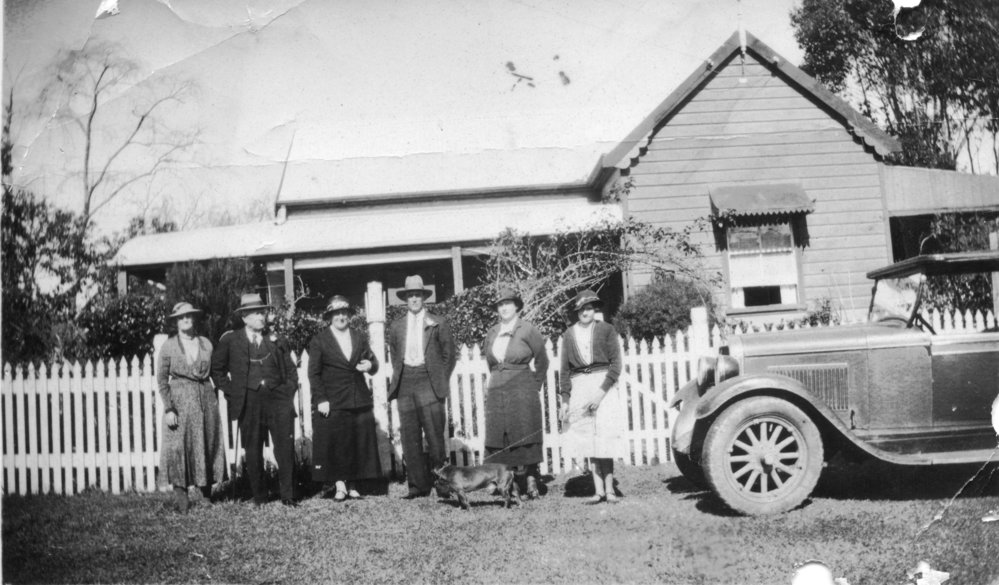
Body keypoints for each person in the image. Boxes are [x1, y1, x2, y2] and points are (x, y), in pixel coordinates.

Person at [210, 293, 300, 507]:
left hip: (278, 400)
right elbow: (217, 369)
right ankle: (260, 496)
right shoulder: (231, 340)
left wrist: (287, 392)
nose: (262, 316)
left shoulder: (276, 340)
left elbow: (291, 371)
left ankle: (288, 495)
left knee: (284, 448)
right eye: (257, 313)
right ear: (245, 318)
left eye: (263, 312)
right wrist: (233, 392)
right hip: (249, 402)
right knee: (253, 450)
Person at [387, 275, 457, 499]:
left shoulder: (438, 322)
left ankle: (443, 484)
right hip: (406, 382)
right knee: (410, 436)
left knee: (435, 435)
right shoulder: (397, 326)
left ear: (423, 297)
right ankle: (417, 486)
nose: (414, 299)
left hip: (429, 382)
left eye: (418, 294)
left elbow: (449, 356)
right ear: (405, 299)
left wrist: (439, 380)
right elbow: (395, 356)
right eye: (410, 295)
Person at [307, 295, 381, 501]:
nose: (341, 316)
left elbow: (372, 360)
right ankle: (340, 485)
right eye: (336, 313)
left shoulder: (358, 337)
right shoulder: (320, 340)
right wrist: (321, 398)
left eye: (344, 313)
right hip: (334, 400)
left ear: (349, 315)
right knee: (338, 443)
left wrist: (370, 366)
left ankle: (354, 484)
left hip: (358, 398)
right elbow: (314, 373)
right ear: (330, 316)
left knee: (357, 442)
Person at [157, 302, 227, 512]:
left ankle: (206, 496)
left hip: (205, 399)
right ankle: (182, 499)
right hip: (179, 402)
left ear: (194, 319)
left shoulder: (205, 343)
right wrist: (169, 409)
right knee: (179, 447)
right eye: (181, 317)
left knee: (206, 443)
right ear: (176, 322)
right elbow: (161, 380)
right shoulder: (169, 346)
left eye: (189, 316)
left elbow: (216, 372)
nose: (186, 320)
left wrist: (230, 391)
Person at [483, 286, 550, 498]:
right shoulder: (492, 332)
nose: (504, 308)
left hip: (522, 388)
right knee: (500, 435)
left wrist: (533, 386)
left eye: (508, 303)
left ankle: (530, 479)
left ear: (516, 306)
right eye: (500, 304)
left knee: (524, 432)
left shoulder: (528, 329)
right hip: (497, 390)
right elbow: (490, 363)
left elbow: (543, 361)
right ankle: (507, 482)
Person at [557, 289, 623, 504]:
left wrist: (601, 392)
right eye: (582, 308)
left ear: (595, 309)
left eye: (590, 307)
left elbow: (616, 365)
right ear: (577, 311)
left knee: (604, 436)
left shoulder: (607, 330)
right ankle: (598, 491)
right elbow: (565, 371)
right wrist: (565, 400)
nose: (586, 312)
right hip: (580, 386)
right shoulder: (569, 335)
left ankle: (610, 490)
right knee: (588, 439)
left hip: (603, 385)